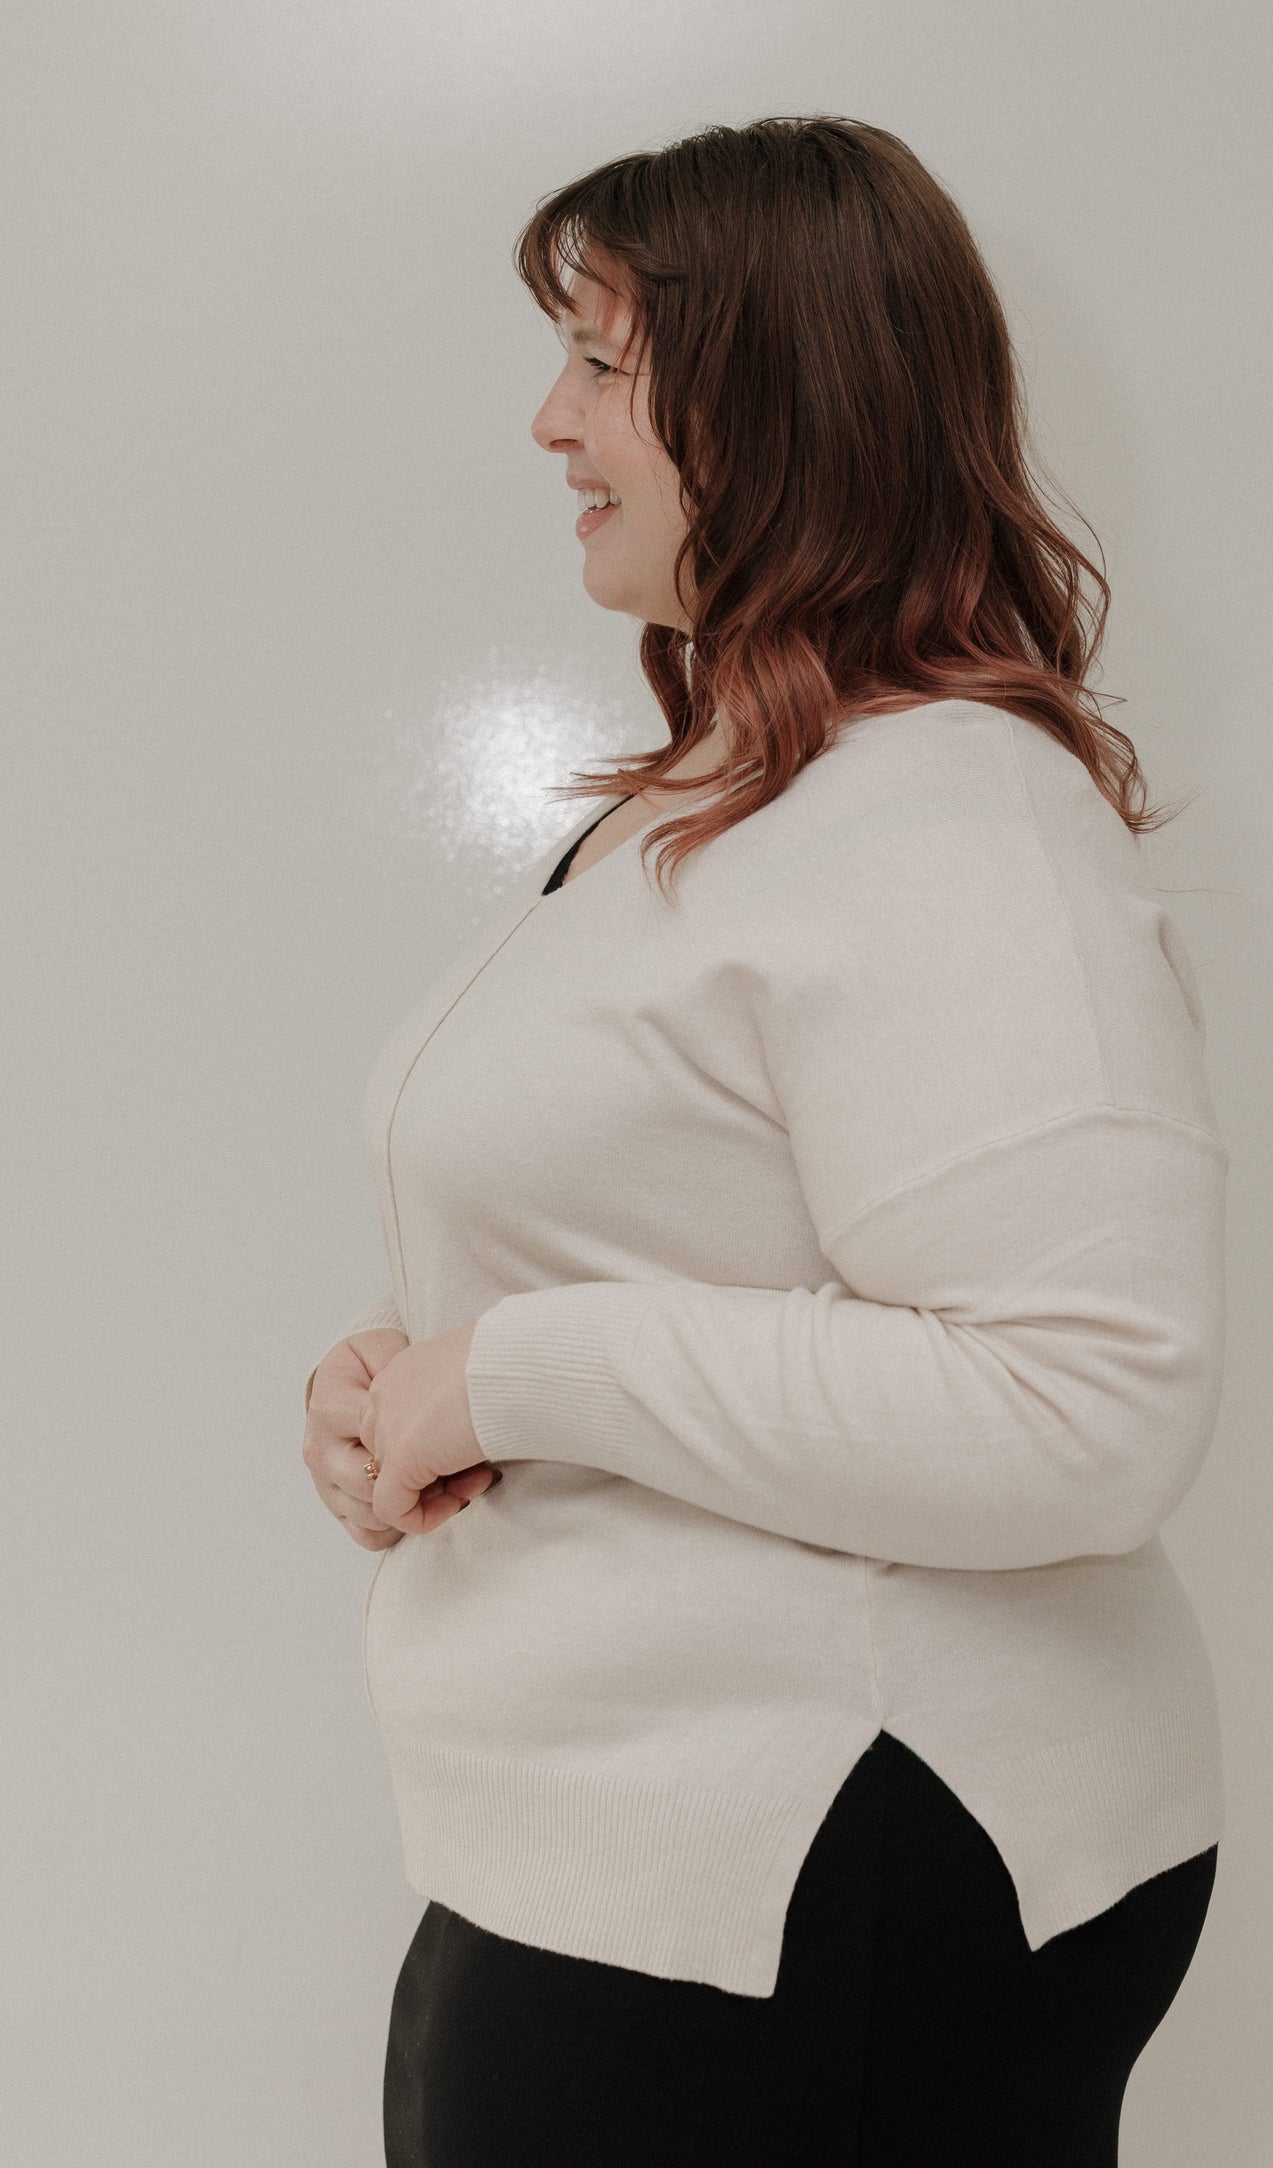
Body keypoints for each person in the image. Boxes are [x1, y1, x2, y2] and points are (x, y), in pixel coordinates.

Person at [301, 116, 1226, 2166]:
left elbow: (1089, 1401)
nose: (549, 422)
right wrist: (411, 1377)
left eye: (605, 361)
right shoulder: (738, 793)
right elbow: (668, 1225)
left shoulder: (956, 818)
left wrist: (516, 1372)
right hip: (632, 1850)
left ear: (787, 397)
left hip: (823, 1855)